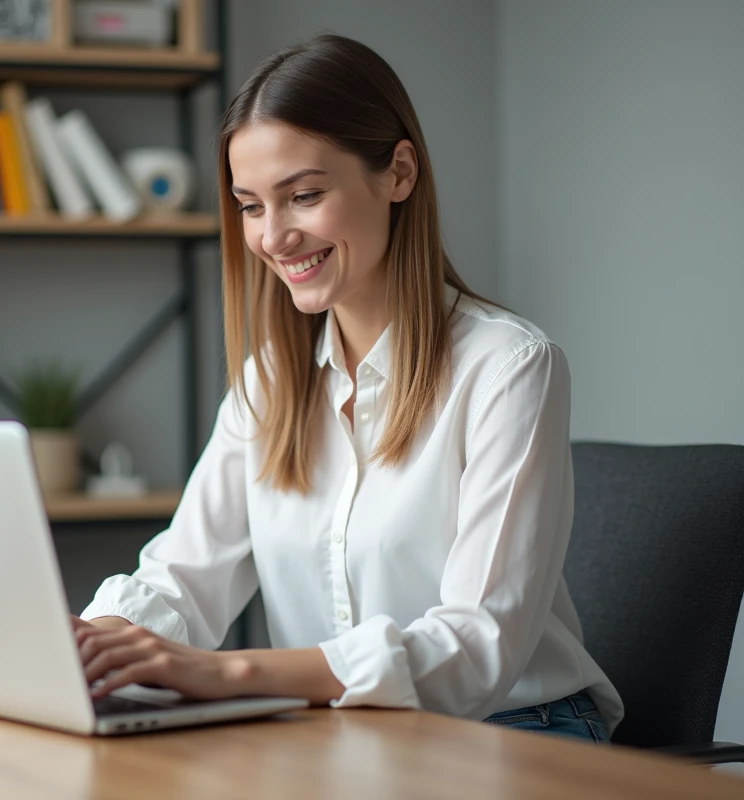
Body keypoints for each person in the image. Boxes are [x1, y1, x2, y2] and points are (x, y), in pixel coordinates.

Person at [73, 34, 623, 744]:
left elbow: (479, 644)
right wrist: (97, 642)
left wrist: (235, 674)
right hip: (350, 739)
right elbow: (182, 576)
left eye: (303, 195)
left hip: (518, 730)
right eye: (249, 205)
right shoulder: (271, 382)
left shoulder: (509, 367)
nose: (274, 237)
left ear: (398, 173)